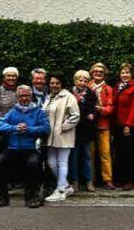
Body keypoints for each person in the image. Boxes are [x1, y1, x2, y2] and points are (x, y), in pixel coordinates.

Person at [0, 85, 50, 208]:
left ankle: (31, 196)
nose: (24, 98)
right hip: (13, 148)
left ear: (31, 96)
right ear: (17, 97)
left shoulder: (39, 112)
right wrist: (14, 128)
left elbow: (46, 128)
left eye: (27, 95)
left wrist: (29, 130)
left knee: (33, 163)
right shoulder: (12, 112)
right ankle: (1, 195)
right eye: (21, 96)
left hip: (31, 149)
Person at [42, 74, 80, 202]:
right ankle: (66, 185)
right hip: (50, 136)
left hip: (64, 135)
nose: (54, 85)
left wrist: (63, 127)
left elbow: (75, 115)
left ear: (62, 84)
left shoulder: (69, 97)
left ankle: (60, 190)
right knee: (51, 163)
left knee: (62, 162)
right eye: (52, 83)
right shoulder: (48, 97)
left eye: (57, 83)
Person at [112, 63, 134, 191]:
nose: (125, 75)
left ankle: (129, 180)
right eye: (123, 72)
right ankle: (119, 178)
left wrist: (128, 125)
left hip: (129, 125)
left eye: (127, 72)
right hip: (117, 124)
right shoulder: (117, 87)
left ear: (132, 74)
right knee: (119, 152)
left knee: (129, 153)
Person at [69, 70, 98, 192]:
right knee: (74, 156)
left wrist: (92, 114)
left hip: (86, 129)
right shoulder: (69, 94)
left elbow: (93, 108)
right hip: (73, 129)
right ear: (75, 81)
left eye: (86, 81)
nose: (83, 83)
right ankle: (74, 181)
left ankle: (88, 181)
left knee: (87, 156)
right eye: (80, 80)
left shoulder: (91, 94)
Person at [90, 62, 115, 190]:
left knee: (105, 153)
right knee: (90, 154)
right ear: (91, 73)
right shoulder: (87, 86)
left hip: (103, 125)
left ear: (104, 74)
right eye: (96, 71)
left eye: (100, 71)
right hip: (90, 125)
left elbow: (110, 108)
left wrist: (100, 109)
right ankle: (91, 179)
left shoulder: (108, 89)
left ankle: (108, 179)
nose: (98, 73)